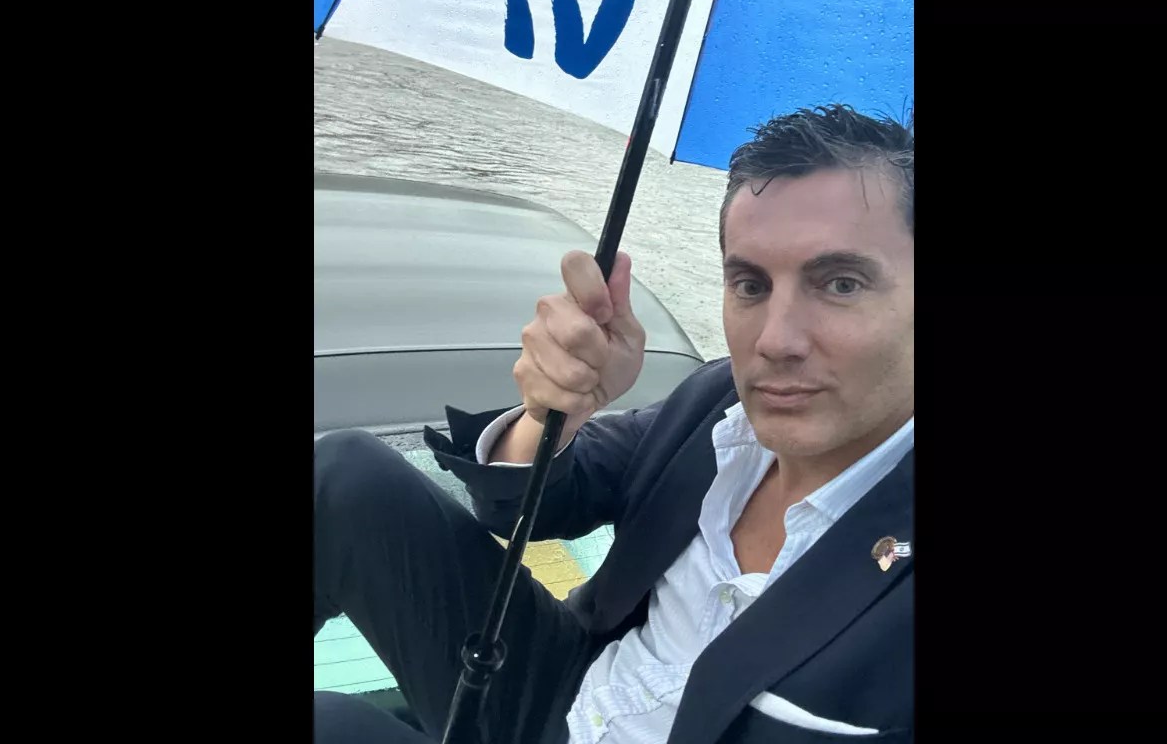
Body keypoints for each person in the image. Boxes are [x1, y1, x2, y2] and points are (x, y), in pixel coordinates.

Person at [314, 104, 915, 743]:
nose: (775, 340)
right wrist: (554, 415)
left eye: (841, 283)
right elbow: (536, 503)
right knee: (344, 477)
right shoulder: (718, 407)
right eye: (750, 285)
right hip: (569, 696)